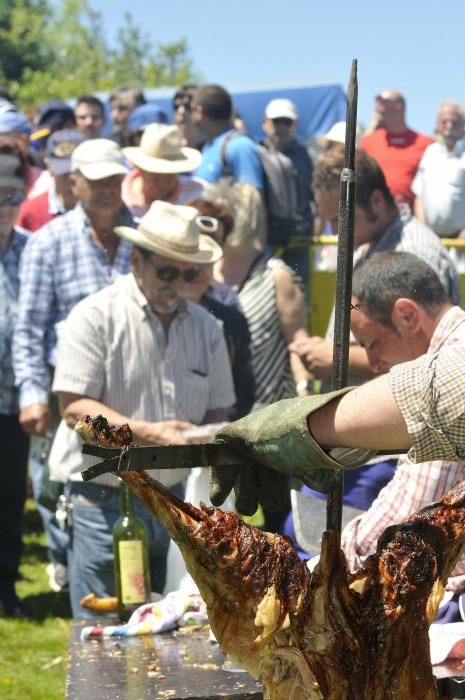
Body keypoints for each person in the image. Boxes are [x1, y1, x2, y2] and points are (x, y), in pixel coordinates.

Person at [51, 200, 235, 616]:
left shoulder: (208, 328)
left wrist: (207, 434)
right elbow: (74, 409)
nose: (179, 285)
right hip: (107, 498)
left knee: (176, 627)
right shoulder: (95, 316)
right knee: (104, 631)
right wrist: (148, 431)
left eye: (190, 274)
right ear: (136, 261)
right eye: (167, 272)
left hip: (179, 501)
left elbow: (220, 410)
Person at [13, 138, 134, 591]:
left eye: (114, 180)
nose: (107, 188)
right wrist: (30, 394)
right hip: (69, 389)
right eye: (97, 180)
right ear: (75, 184)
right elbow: (29, 328)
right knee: (61, 485)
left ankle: (124, 577)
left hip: (130, 385)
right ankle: (77, 568)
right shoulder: (47, 244)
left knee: (131, 482)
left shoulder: (141, 236)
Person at [289, 149, 460, 383]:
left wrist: (338, 357)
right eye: (329, 222)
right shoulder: (365, 243)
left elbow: (419, 357)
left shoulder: (414, 253)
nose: (336, 232)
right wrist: (328, 348)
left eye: (342, 220)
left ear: (376, 201)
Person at [185, 197, 255, 420]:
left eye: (207, 257)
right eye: (191, 253)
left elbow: (242, 392)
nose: (197, 267)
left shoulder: (231, 318)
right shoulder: (152, 309)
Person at [0, 155, 30, 617]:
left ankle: (6, 587)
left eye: (11, 197)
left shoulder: (31, 248)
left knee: (9, 497)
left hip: (14, 396)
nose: (3, 206)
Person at [360, 90, 433, 207]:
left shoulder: (426, 143)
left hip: (412, 215)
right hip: (375, 216)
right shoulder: (368, 140)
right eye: (377, 103)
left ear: (399, 108)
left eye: (383, 102)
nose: (378, 106)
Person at [122, 124, 203, 219]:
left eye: (169, 173)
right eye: (154, 173)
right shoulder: (118, 196)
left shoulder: (199, 194)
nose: (162, 181)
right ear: (140, 168)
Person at [191, 84, 264, 189]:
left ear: (199, 111)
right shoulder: (209, 147)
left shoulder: (240, 146)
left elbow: (251, 200)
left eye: (192, 110)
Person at [262, 98, 314, 238]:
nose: (282, 127)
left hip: (302, 238)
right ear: (265, 123)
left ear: (295, 125)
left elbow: (316, 195)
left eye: (287, 122)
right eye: (277, 121)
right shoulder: (257, 154)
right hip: (269, 239)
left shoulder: (306, 156)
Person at [413, 101, 465, 238]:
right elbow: (419, 196)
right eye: (444, 121)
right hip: (431, 238)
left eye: (454, 121)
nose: (449, 125)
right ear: (437, 125)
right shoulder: (430, 152)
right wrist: (423, 230)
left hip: (461, 241)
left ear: (463, 125)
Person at [16, 129, 85, 232]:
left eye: (77, 174)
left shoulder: (106, 209)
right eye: (63, 174)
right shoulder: (30, 212)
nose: (71, 180)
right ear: (49, 167)